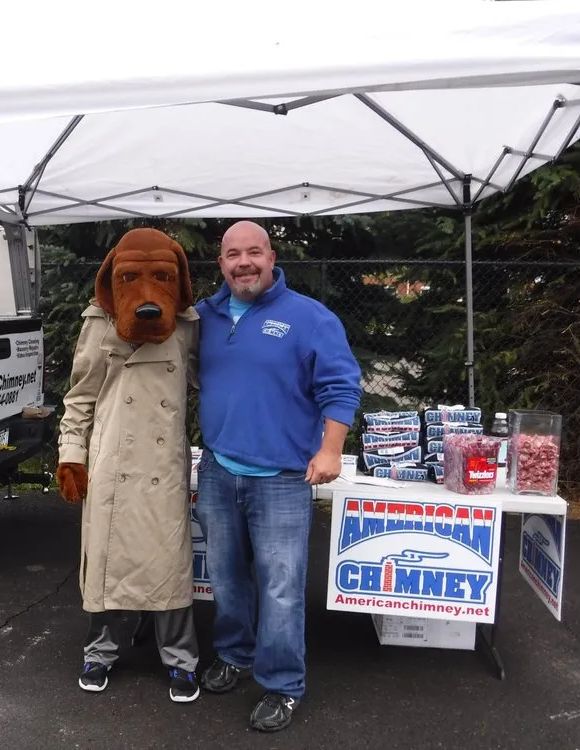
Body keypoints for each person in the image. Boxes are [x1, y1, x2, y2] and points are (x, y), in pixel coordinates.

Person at [192, 220, 362, 732]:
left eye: (254, 253)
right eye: (232, 255)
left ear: (271, 257)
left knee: (282, 588)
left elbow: (342, 386)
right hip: (219, 470)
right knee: (225, 577)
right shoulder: (202, 317)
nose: (243, 262)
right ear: (220, 263)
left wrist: (331, 449)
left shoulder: (310, 319)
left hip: (284, 479)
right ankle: (235, 655)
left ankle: (282, 685)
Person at [57, 227, 202, 703]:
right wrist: (71, 456)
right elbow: (79, 399)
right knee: (106, 562)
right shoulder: (99, 323)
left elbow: (213, 385)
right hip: (111, 463)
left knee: (169, 563)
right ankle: (99, 652)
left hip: (163, 463)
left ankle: (181, 660)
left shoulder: (187, 325)